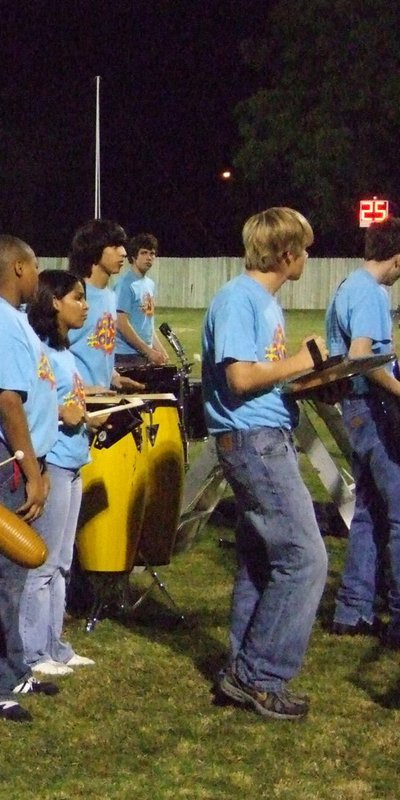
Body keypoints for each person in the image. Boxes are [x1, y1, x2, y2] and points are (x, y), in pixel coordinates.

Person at [203, 206, 329, 720]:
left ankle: (243, 669)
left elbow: (263, 374)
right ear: (286, 253)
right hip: (253, 440)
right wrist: (303, 361)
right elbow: (240, 379)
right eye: (305, 247)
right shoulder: (240, 299)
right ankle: (259, 676)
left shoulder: (262, 302)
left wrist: (310, 374)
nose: (309, 256)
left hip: (261, 433)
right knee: (306, 559)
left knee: (262, 563)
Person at [0, 235, 63, 721]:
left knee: (14, 572)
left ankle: (10, 664)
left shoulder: (9, 318)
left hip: (11, 453)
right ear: (19, 268)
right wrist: (30, 467)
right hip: (0, 455)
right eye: (36, 266)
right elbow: (7, 400)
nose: (39, 276)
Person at [324, 216, 400, 643]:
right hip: (372, 407)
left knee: (369, 512)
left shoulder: (347, 285)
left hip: (354, 409)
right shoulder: (370, 293)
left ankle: (353, 609)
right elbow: (362, 357)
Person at [22, 269, 94, 677]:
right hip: (54, 462)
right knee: (43, 561)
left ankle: (55, 645)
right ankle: (33, 651)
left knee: (64, 559)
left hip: (75, 460)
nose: (84, 306)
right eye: (77, 298)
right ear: (54, 302)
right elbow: (26, 404)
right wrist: (59, 415)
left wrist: (86, 418)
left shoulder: (65, 352)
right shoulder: (39, 351)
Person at [67, 219, 141, 391]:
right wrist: (84, 389)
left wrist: (114, 376)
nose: (123, 252)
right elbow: (47, 356)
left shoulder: (110, 296)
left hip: (101, 399)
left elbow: (97, 350)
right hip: (74, 403)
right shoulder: (71, 297)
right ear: (94, 249)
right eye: (115, 246)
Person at [113, 233, 168, 366]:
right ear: (133, 256)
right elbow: (121, 323)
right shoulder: (125, 284)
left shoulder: (150, 284)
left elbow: (147, 323)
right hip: (126, 356)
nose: (149, 257)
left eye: (152, 253)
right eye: (144, 253)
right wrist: (148, 351)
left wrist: (159, 348)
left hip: (143, 353)